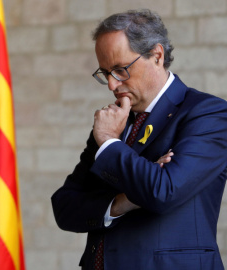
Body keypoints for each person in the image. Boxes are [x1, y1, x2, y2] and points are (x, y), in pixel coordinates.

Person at [51, 9, 227, 270]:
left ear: (157, 55)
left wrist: (110, 143)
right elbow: (64, 206)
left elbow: (162, 192)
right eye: (105, 72)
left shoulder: (208, 113)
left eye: (120, 70)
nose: (112, 84)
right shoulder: (112, 123)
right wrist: (123, 201)